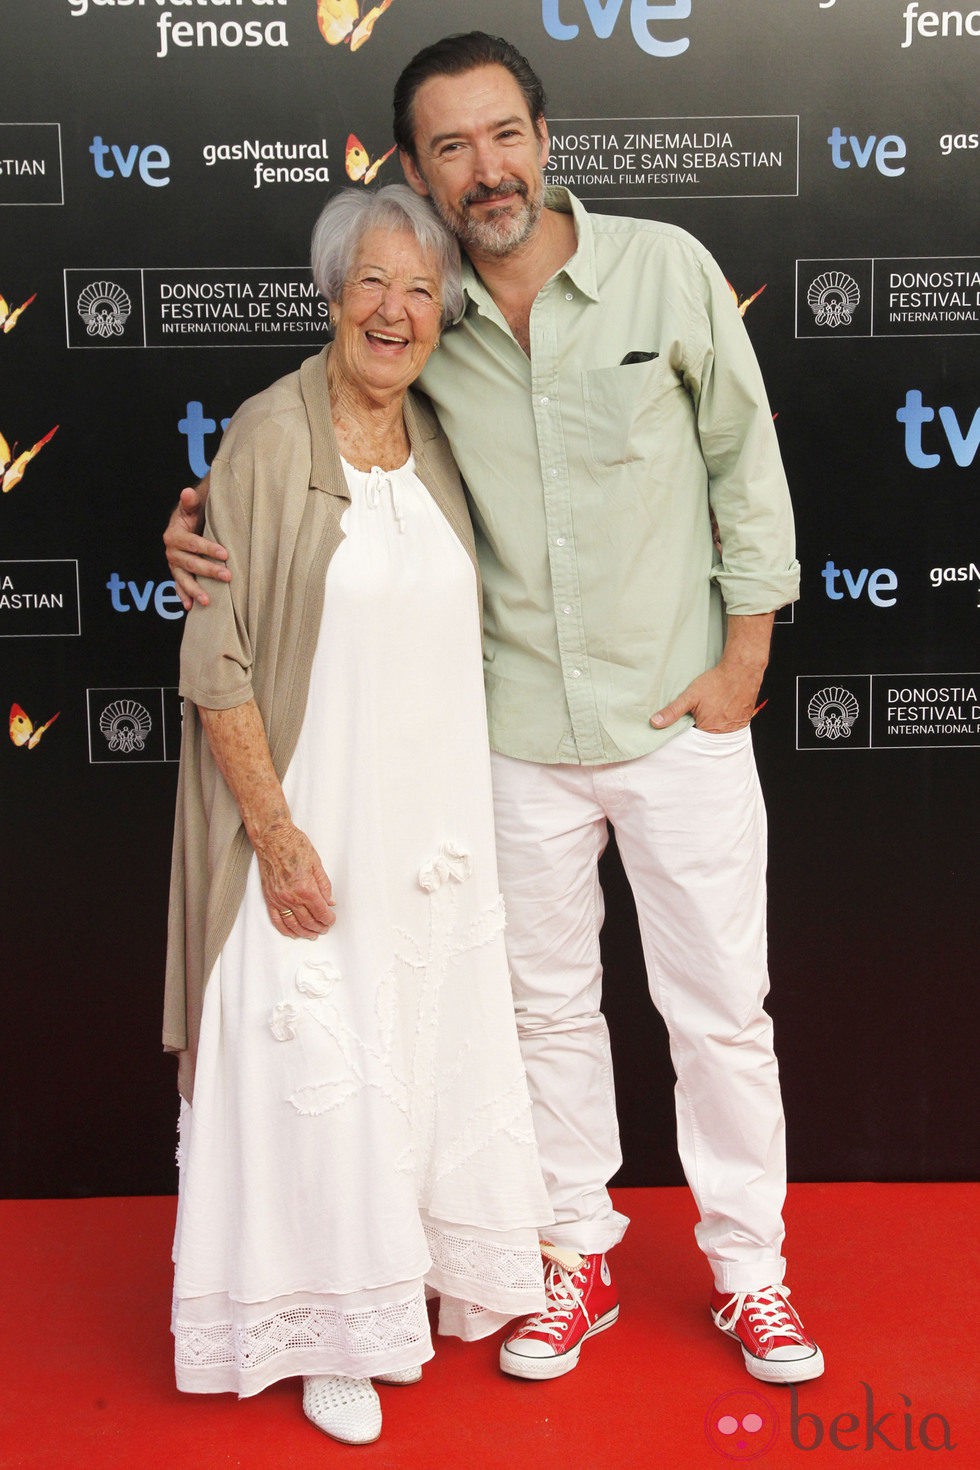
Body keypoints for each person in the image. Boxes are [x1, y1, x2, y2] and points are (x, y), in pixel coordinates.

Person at [165, 33, 825, 1389]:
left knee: (719, 1011)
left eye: (504, 133)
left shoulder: (664, 269)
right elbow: (311, 441)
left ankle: (751, 1270)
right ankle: (572, 1255)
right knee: (545, 1015)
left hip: (679, 717)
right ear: (412, 170)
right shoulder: (428, 317)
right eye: (450, 146)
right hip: (512, 740)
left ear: (544, 133)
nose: (486, 167)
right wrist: (199, 522)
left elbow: (744, 461)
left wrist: (746, 657)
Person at [163, 183, 552, 1447]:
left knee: (412, 1047)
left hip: (423, 833)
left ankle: (413, 1271)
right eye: (371, 285)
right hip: (309, 824)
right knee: (316, 1062)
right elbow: (215, 665)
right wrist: (274, 839)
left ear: (444, 313)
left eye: (421, 290)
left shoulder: (433, 436)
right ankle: (328, 1324)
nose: (395, 312)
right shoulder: (271, 438)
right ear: (332, 298)